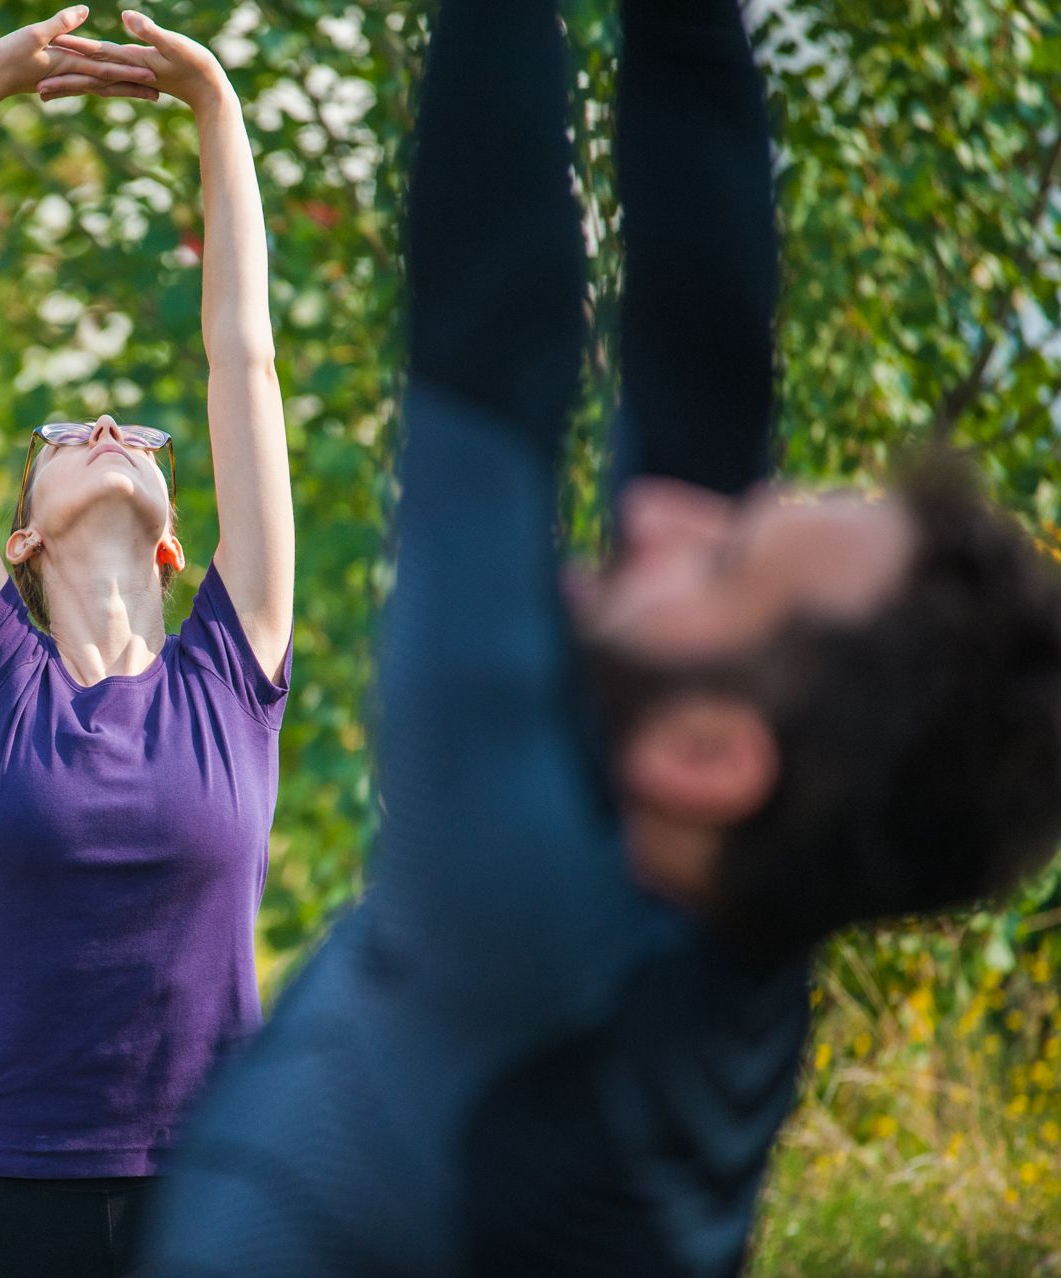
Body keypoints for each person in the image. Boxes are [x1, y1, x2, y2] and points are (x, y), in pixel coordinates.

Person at [134, 0, 1061, 1273]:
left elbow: (493, 316)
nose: (667, 514)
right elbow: (704, 349)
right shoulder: (716, 910)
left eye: (725, 558)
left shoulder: (520, 921)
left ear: (707, 754)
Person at [0, 8, 295, 1275]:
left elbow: (242, 358)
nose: (112, 426)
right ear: (16, 539)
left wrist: (219, 119)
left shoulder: (232, 672)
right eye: (70, 429)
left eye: (133, 429)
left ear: (178, 539)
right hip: (5, 1191)